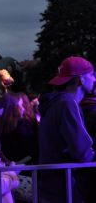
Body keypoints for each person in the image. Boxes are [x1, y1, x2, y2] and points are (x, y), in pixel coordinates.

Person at [38, 56, 95, 203]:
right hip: (66, 188)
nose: (94, 80)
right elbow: (82, 151)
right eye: (92, 75)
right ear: (80, 80)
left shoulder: (55, 103)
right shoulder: (68, 103)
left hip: (52, 187)